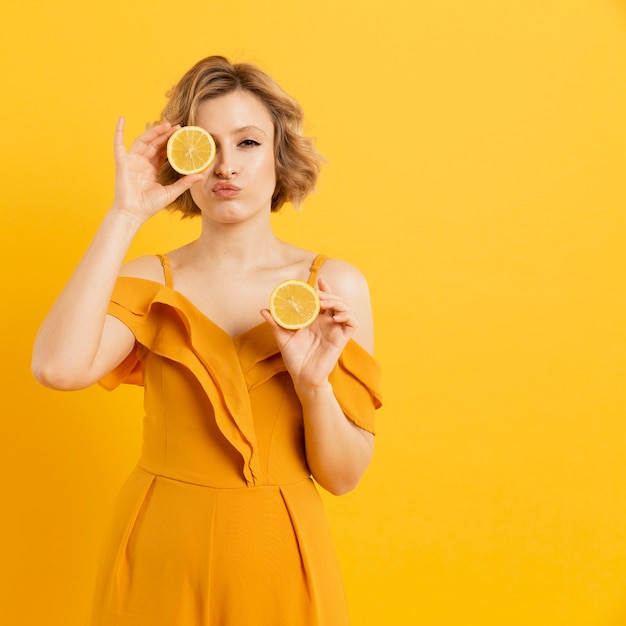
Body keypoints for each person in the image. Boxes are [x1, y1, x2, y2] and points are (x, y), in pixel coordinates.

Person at [32, 55, 382, 625]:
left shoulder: (331, 286)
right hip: (158, 553)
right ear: (180, 157)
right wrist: (124, 215)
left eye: (247, 143)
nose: (226, 165)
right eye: (206, 143)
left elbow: (343, 478)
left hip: (281, 556)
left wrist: (313, 386)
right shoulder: (150, 279)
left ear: (278, 155)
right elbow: (56, 368)